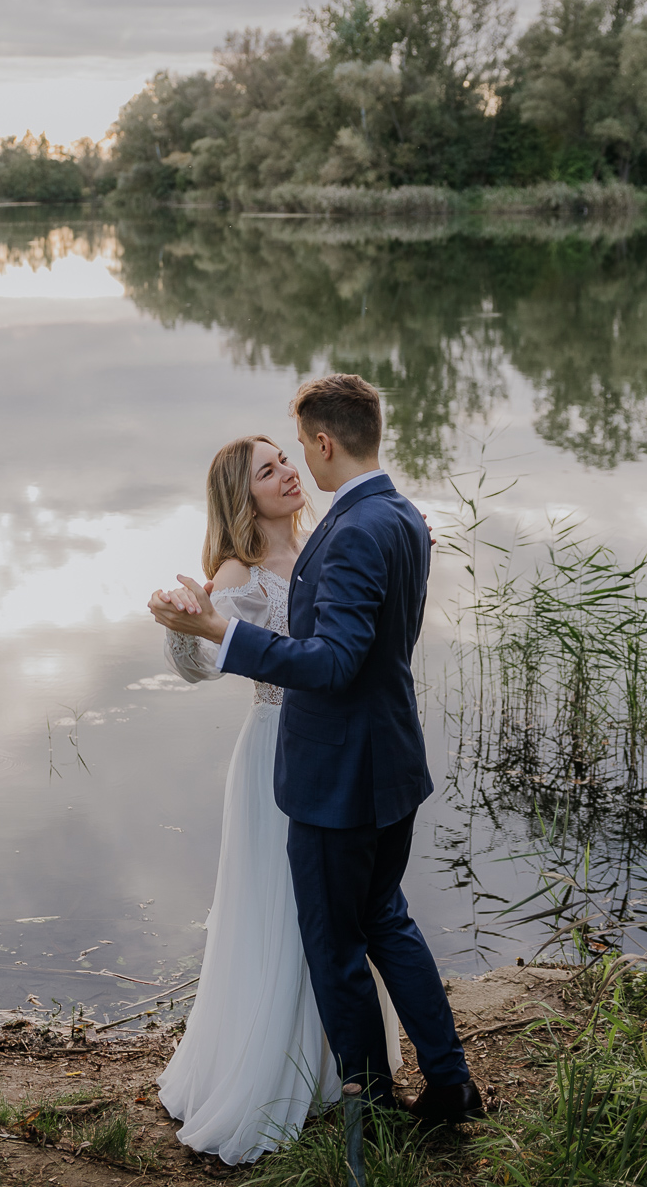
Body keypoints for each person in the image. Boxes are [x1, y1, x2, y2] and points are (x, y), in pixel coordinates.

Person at [150, 374, 482, 1131]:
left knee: (335, 946)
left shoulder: (354, 530)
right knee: (386, 919)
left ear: (324, 443)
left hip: (339, 770)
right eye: (271, 465)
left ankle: (371, 1106)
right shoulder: (400, 516)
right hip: (389, 756)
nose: (295, 463)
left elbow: (333, 663)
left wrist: (220, 632)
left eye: (296, 448)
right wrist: (197, 623)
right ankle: (450, 1081)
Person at [150, 434, 401, 1166]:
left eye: (285, 459)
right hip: (277, 753)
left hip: (343, 752)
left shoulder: (328, 539)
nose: (288, 472)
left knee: (340, 907)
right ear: (243, 496)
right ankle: (271, 1073)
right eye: (268, 470)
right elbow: (200, 666)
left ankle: (337, 1067)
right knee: (280, 905)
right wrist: (182, 619)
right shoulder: (239, 573)